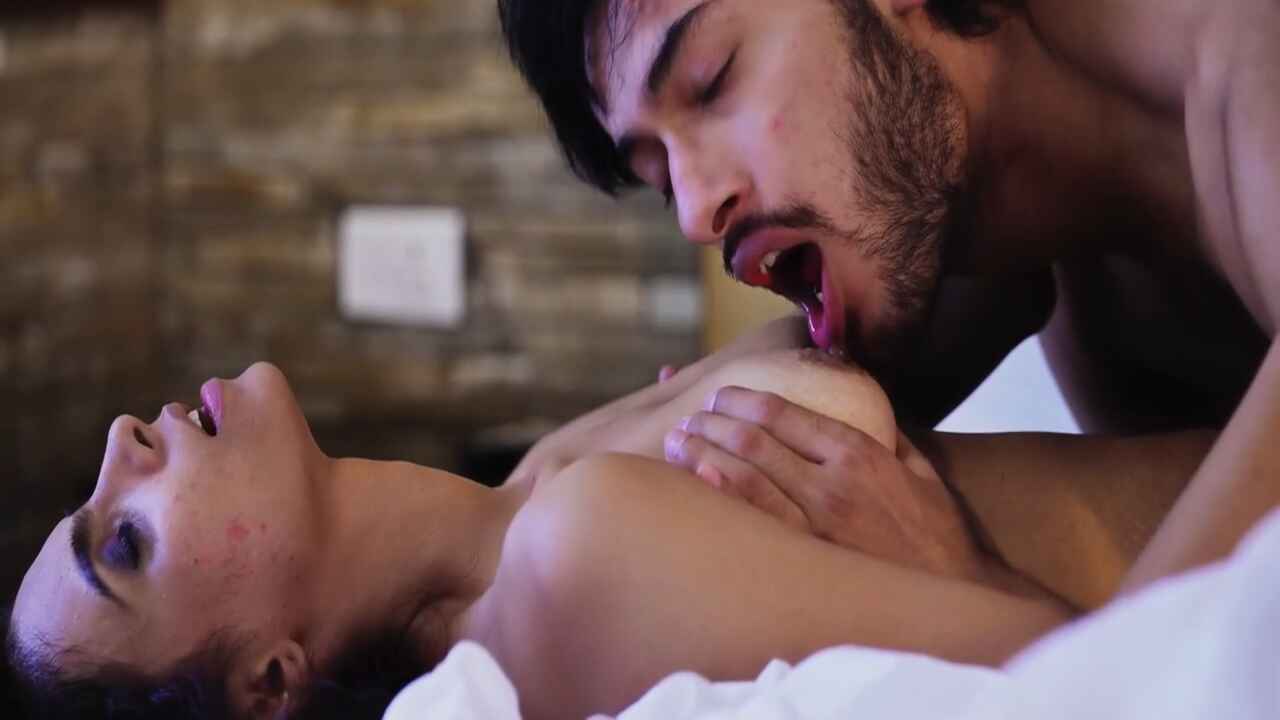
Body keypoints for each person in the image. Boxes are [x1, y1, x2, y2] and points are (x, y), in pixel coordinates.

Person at [497, 0, 1280, 593]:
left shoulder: (1250, 52)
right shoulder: (985, 218)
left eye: (714, 78)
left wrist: (974, 591)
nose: (695, 212)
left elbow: (1171, 668)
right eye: (659, 176)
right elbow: (591, 472)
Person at [6, 349, 1195, 720]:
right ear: (271, 679)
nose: (120, 441)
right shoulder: (569, 566)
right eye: (124, 545)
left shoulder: (536, 488)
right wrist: (957, 564)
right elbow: (1136, 681)